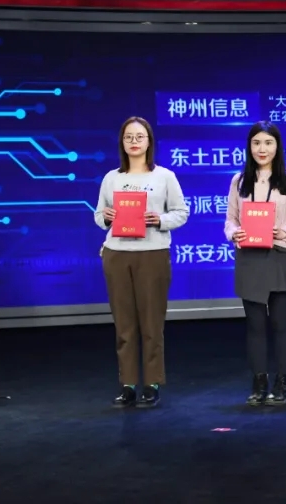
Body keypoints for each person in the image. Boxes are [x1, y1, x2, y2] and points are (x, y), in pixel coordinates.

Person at [94, 116, 189, 408]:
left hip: (152, 254)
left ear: (149, 142)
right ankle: (128, 384)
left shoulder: (164, 176)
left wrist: (159, 220)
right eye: (128, 137)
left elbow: (181, 212)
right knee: (124, 326)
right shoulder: (111, 178)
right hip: (117, 254)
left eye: (139, 137)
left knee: (151, 324)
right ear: (122, 143)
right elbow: (98, 215)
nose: (134, 142)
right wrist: (106, 217)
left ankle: (151, 383)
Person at [224, 121, 286, 407]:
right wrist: (235, 233)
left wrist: (284, 231)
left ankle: (282, 383)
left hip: (280, 255)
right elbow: (230, 219)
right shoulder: (239, 181)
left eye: (268, 143)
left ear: (277, 147)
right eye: (256, 143)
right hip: (249, 258)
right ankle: (259, 382)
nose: (262, 149)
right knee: (255, 325)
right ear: (249, 146)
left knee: (280, 323)